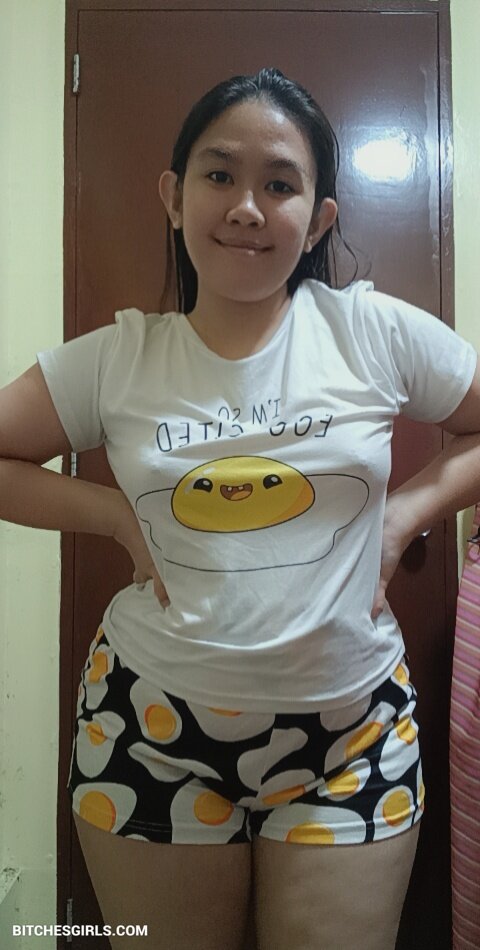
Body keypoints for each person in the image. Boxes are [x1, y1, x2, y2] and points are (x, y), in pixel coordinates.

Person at [1, 66, 479, 950]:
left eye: (280, 184)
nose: (247, 208)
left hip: (352, 738)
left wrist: (406, 513)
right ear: (174, 197)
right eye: (219, 174)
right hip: (149, 731)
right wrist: (113, 517)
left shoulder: (373, 332)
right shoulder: (115, 358)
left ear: (319, 219)